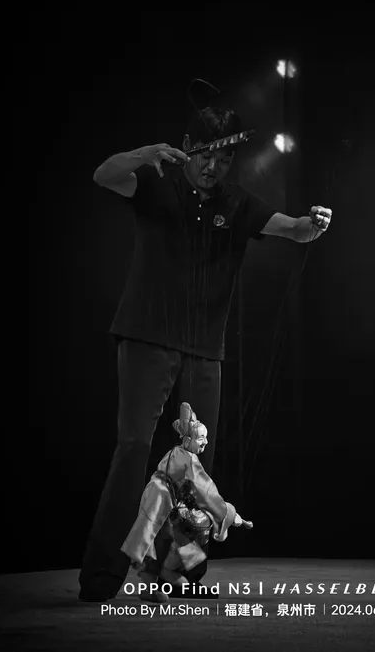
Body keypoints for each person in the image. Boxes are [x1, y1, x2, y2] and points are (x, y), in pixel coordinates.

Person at [79, 106, 332, 602]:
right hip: (147, 336)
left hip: (203, 349)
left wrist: (312, 224)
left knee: (195, 464)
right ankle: (103, 576)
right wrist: (146, 153)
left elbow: (292, 228)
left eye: (225, 159)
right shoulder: (157, 185)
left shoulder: (237, 203)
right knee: (134, 448)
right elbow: (103, 175)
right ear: (187, 147)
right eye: (205, 156)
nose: (213, 167)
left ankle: (178, 576)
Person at [122, 402, 252, 604]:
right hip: (161, 498)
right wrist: (229, 513)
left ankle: (153, 586)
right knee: (168, 538)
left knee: (155, 540)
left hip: (158, 495)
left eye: (206, 437)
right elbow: (206, 493)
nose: (205, 442)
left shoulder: (176, 452)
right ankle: (170, 578)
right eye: (201, 438)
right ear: (188, 439)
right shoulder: (189, 459)